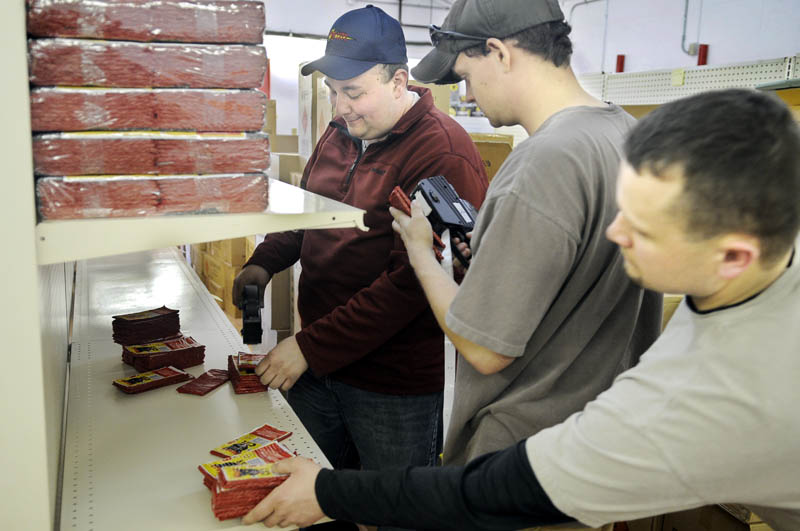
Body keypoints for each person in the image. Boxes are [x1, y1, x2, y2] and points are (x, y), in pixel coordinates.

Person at [242, 88, 800, 531]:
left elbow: (496, 492)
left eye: (643, 228)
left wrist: (327, 492)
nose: (614, 232)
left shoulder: (712, 405)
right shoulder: (767, 252)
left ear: (733, 255)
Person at [232, 4, 488, 529]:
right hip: (320, 369)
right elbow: (306, 214)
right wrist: (264, 263)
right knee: (313, 504)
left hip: (392, 390)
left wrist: (308, 346)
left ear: (400, 81)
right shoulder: (337, 134)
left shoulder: (442, 152)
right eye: (331, 90)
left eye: (353, 92)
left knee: (393, 514)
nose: (339, 107)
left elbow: (411, 284)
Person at [415, 0, 664, 467]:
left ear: (500, 53)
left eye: (466, 74)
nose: (468, 92)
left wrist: (421, 255)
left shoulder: (544, 162)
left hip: (522, 459)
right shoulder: (629, 134)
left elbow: (485, 349)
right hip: (597, 443)